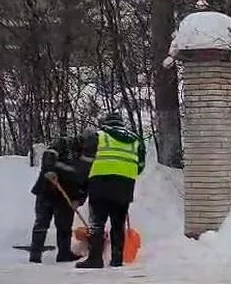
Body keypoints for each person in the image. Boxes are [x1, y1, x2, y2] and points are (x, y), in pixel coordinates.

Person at [76, 112, 145, 268]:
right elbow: (140, 166)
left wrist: (81, 184)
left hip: (100, 185)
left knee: (97, 223)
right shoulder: (135, 140)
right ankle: (117, 259)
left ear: (106, 123)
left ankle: (95, 259)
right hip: (125, 187)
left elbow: (86, 162)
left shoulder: (99, 136)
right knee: (118, 224)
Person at [29, 136, 86, 263]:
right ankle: (35, 255)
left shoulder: (84, 160)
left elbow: (84, 183)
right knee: (41, 224)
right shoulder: (63, 143)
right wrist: (49, 170)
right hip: (47, 190)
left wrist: (79, 199)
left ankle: (64, 255)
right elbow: (49, 155)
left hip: (66, 196)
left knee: (65, 227)